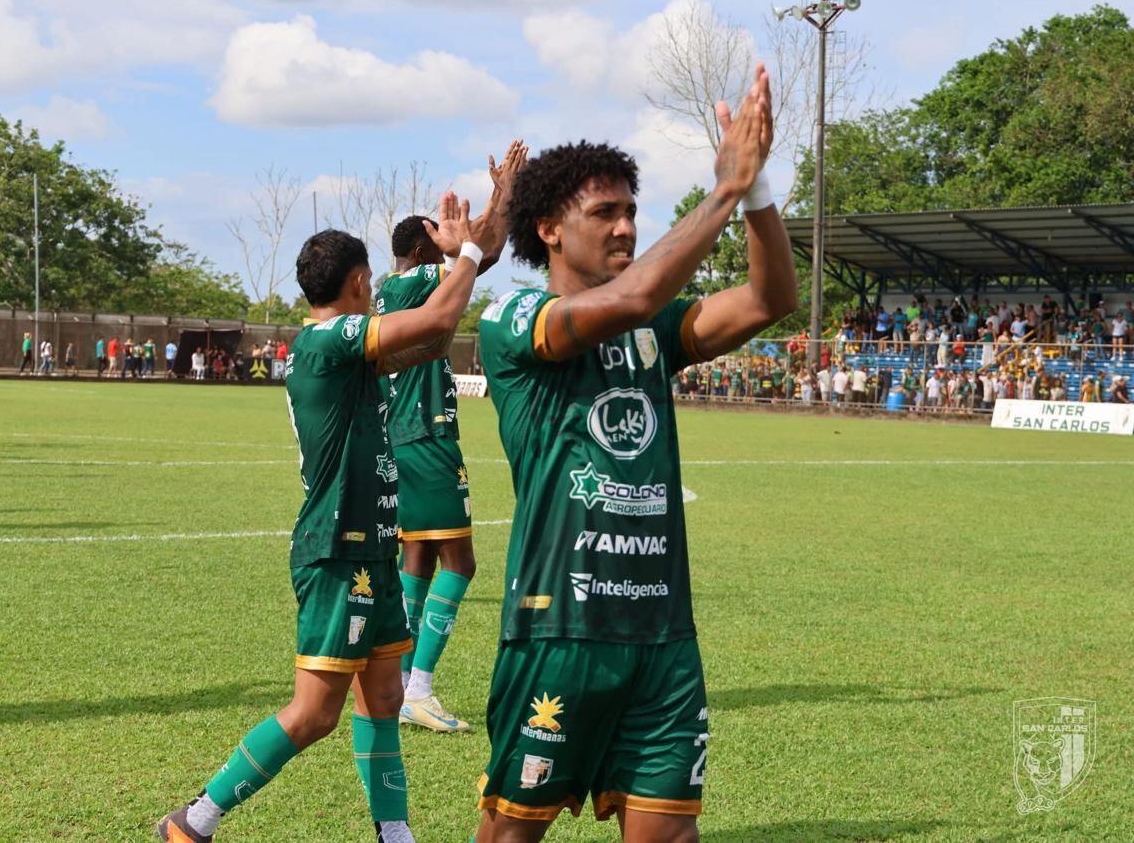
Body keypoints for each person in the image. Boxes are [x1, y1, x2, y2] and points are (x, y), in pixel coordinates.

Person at [474, 68, 794, 841]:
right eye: (604, 212)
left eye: (631, 212)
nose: (625, 228)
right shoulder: (514, 315)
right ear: (550, 227)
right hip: (559, 629)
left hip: (661, 633)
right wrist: (721, 191)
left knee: (671, 833)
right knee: (512, 831)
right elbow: (629, 300)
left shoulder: (653, 327)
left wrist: (753, 195)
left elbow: (767, 300)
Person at [154, 178, 508, 843]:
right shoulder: (327, 342)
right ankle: (192, 820)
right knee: (315, 712)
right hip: (334, 550)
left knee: (383, 698)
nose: (373, 292)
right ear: (358, 282)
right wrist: (463, 259)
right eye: (369, 283)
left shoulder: (351, 352)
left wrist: (489, 225)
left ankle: (394, 834)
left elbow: (429, 343)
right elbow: (433, 322)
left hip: (369, 549)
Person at [377, 143, 526, 735]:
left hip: (403, 436)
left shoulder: (394, 287)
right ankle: (419, 687)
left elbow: (476, 246)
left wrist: (496, 198)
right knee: (460, 562)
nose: (448, 238)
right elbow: (482, 251)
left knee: (416, 556)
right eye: (437, 235)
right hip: (427, 438)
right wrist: (507, 189)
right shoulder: (417, 283)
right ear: (421, 248)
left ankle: (400, 682)